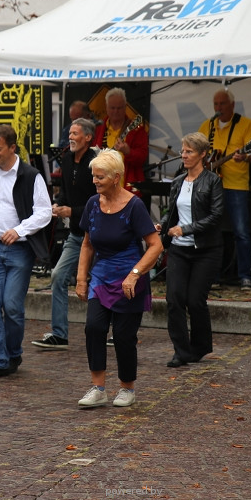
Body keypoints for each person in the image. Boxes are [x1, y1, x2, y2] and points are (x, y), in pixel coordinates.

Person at [75, 150, 162, 409]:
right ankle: (98, 388)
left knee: (124, 336)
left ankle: (127, 388)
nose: (95, 181)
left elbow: (155, 246)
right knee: (94, 328)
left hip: (129, 278)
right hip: (102, 276)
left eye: (100, 177)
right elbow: (87, 244)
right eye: (94, 176)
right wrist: (81, 278)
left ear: (116, 178)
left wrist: (135, 275)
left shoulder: (134, 206)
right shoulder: (93, 204)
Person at [0, 124, 52, 379]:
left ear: (12, 147)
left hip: (20, 250)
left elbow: (45, 211)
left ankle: (13, 353)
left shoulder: (31, 175)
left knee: (12, 306)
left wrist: (19, 230)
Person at [158, 133, 224, 368]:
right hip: (178, 250)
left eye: (189, 152)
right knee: (174, 298)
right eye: (182, 151)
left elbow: (216, 217)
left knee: (195, 300)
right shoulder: (177, 182)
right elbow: (172, 214)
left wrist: (185, 229)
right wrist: (163, 227)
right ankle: (181, 351)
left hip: (205, 250)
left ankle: (199, 347)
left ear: (203, 154)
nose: (183, 155)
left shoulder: (212, 181)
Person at [33, 117, 97, 351]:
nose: (70, 137)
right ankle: (60, 334)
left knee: (104, 283)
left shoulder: (96, 162)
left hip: (99, 237)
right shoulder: (68, 159)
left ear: (88, 138)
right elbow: (67, 194)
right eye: (70, 133)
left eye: (75, 133)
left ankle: (110, 331)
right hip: (77, 235)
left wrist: (73, 211)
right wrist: (58, 206)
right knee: (58, 276)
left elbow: (100, 201)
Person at [198, 88, 251, 288]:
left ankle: (245, 275)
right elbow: (198, 152)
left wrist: (244, 156)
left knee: (241, 231)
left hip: (236, 184)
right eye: (216, 104)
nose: (219, 108)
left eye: (222, 104)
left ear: (232, 105)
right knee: (211, 231)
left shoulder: (245, 124)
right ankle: (211, 276)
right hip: (211, 185)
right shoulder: (208, 125)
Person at [93, 88, 148, 191]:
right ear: (106, 107)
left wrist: (128, 152)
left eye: (119, 108)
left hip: (126, 188)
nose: (115, 111)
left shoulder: (136, 130)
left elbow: (142, 158)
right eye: (112, 108)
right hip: (102, 188)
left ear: (125, 107)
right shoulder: (99, 128)